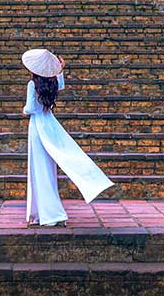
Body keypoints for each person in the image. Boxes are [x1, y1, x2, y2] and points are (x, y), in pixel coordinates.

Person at [21, 47, 114, 227]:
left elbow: (30, 108)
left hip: (37, 126)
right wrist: (60, 71)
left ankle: (49, 214)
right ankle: (45, 214)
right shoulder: (52, 83)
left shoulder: (32, 84)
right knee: (48, 168)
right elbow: (60, 86)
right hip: (50, 124)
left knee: (39, 168)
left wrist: (23, 111)